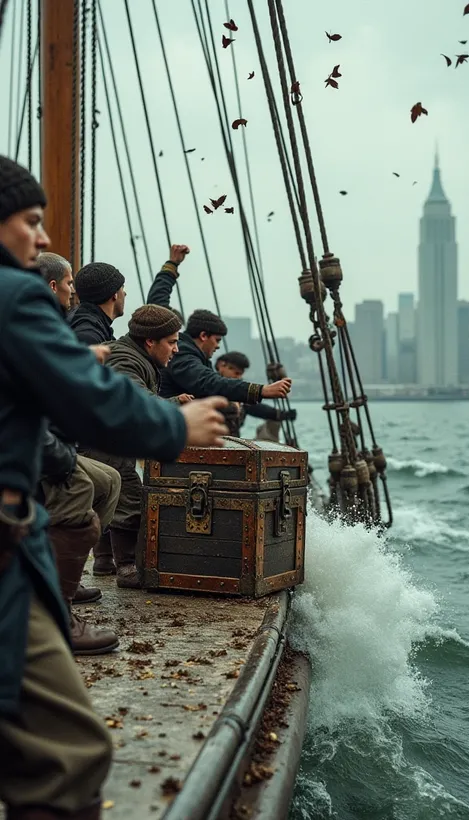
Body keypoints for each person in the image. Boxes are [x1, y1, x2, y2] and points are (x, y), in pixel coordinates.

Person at [0, 154, 228, 820]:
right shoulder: (15, 296)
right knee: (68, 756)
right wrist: (178, 425)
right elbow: (91, 405)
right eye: (32, 221)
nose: (43, 239)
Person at [82, 304, 193, 589]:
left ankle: (104, 559)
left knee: (111, 492)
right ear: (150, 341)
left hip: (100, 437)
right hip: (100, 441)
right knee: (129, 493)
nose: (176, 349)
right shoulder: (127, 360)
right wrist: (174, 405)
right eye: (172, 342)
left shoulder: (131, 354)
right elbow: (130, 400)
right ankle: (128, 568)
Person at [39, 252, 121, 580]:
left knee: (109, 480)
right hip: (40, 444)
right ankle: (57, 591)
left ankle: (69, 569)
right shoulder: (78, 329)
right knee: (81, 487)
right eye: (69, 283)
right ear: (53, 285)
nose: (73, 291)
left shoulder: (63, 323)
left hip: (55, 440)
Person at [147, 248, 292, 405]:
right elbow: (208, 382)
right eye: (217, 340)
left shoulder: (188, 353)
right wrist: (261, 390)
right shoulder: (182, 355)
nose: (217, 346)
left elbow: (157, 302)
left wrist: (172, 264)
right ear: (203, 336)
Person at [215, 351, 297, 436]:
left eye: (240, 374)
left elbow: (255, 408)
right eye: (236, 373)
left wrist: (280, 414)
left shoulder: (237, 393)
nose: (239, 377)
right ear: (222, 365)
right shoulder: (211, 388)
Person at [67, 261, 126, 344]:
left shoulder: (79, 319)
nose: (125, 293)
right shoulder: (89, 337)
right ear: (114, 294)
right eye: (122, 288)